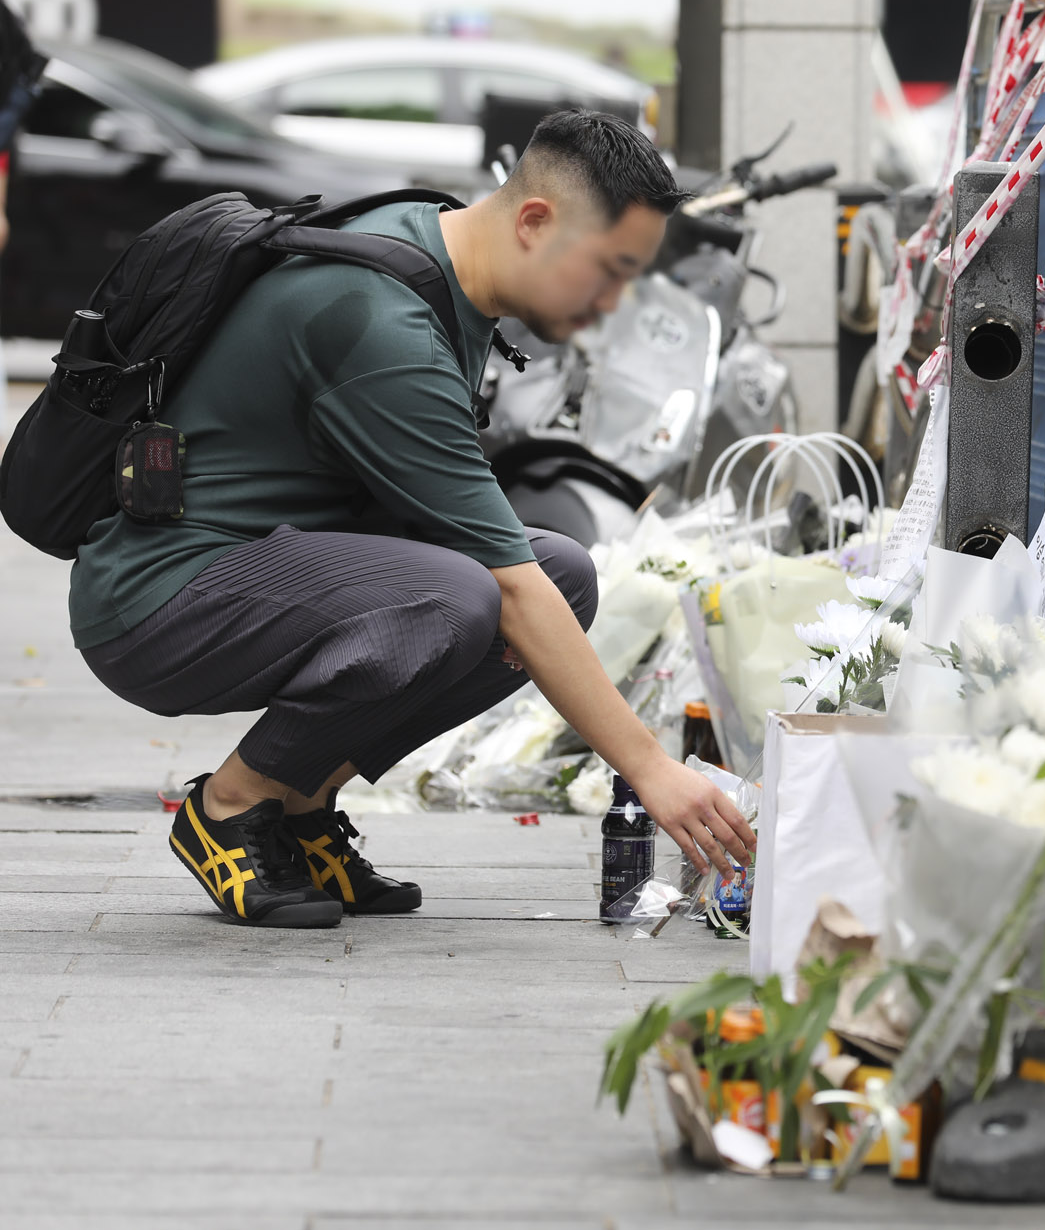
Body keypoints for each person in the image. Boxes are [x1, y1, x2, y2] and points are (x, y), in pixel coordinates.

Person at [68, 109, 755, 928]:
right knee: (466, 595)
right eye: (607, 271)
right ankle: (229, 807)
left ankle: (301, 806)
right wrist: (652, 768)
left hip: (266, 568)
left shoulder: (436, 248)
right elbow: (504, 585)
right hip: (158, 599)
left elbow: (527, 579)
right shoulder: (382, 326)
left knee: (564, 574)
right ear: (536, 222)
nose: (609, 305)